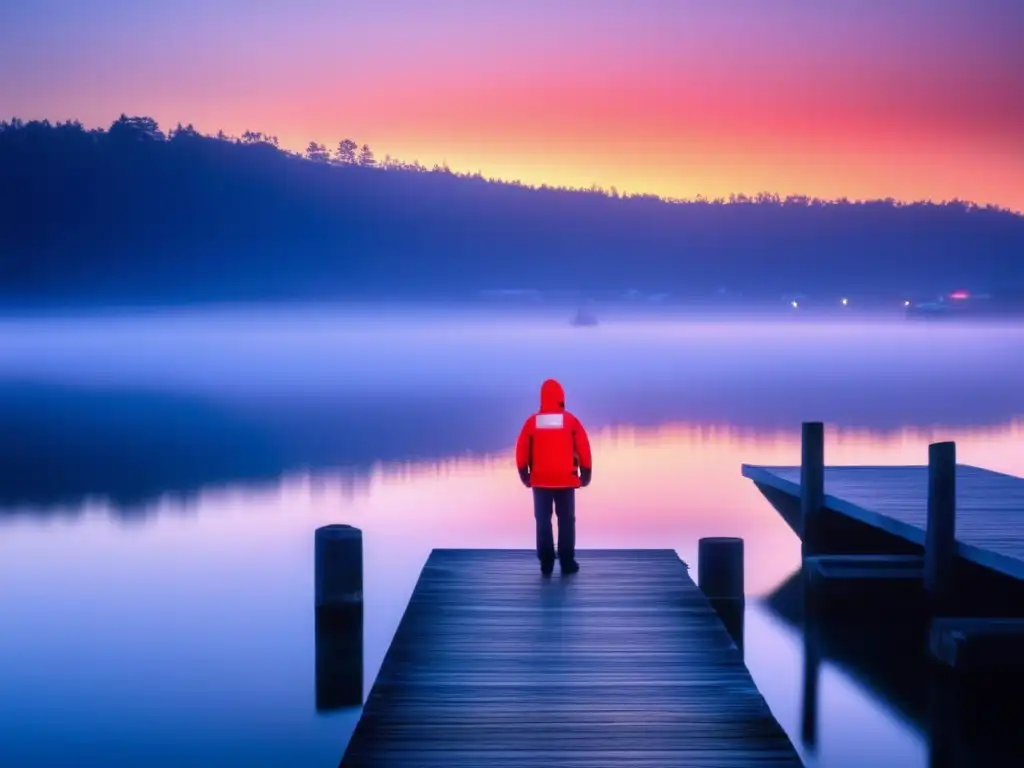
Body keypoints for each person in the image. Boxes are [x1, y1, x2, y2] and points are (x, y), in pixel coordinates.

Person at [515, 378, 592, 575]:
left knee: (543, 520)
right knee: (566, 520)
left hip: (540, 480)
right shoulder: (570, 421)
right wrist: (586, 472)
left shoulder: (532, 422)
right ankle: (567, 562)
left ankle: (546, 563)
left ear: (542, 398)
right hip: (566, 479)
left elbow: (521, 449)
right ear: (561, 398)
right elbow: (583, 446)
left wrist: (524, 473)